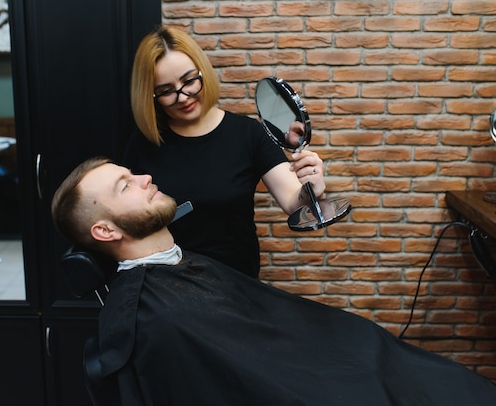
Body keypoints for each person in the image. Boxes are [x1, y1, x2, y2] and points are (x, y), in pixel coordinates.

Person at [51, 157, 496, 406]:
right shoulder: (156, 317)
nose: (146, 176)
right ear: (106, 231)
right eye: (126, 185)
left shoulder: (181, 270)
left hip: (360, 361)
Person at [122, 25, 326, 278]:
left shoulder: (247, 134)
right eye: (166, 91)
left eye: (189, 81)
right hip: (168, 288)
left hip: (237, 284)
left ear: (202, 73)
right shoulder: (142, 145)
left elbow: (294, 202)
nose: (183, 97)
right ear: (151, 96)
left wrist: (311, 188)